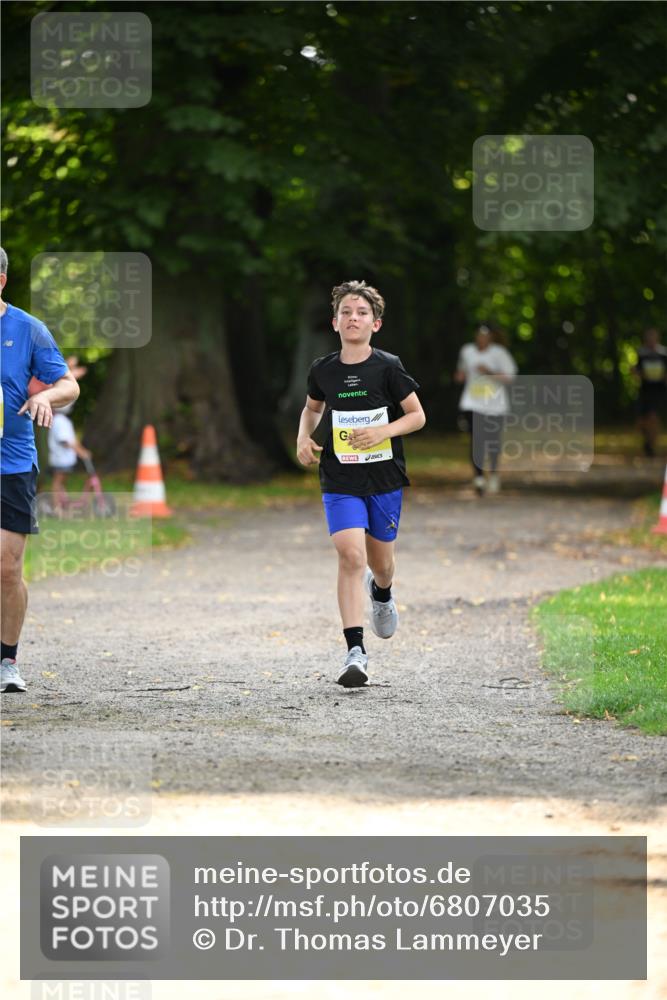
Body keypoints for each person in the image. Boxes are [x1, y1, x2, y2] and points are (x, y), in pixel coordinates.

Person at [296, 280, 425, 688]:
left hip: (383, 478)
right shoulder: (324, 370)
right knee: (350, 556)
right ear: (335, 322)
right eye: (346, 312)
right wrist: (303, 437)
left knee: (380, 563)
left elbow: (417, 416)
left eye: (362, 313)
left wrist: (384, 431)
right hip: (339, 477)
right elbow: (311, 409)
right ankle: (355, 652)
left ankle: (382, 593)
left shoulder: (388, 366)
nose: (354, 318)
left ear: (376, 323)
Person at [0, 246, 79, 694]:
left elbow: (68, 383)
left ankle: (7, 660)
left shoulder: (28, 330)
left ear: (2, 280)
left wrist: (44, 397)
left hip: (11, 464)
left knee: (7, 569)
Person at [454, 323, 517, 495]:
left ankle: (494, 474)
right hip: (473, 403)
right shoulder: (467, 351)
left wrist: (489, 372)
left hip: (495, 405)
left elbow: (510, 378)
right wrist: (460, 376)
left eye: (485, 336)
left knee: (493, 440)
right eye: (479, 336)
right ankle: (479, 477)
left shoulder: (500, 353)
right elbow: (461, 371)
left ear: (490, 338)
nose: (481, 339)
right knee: (477, 440)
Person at [48, 357, 91, 510]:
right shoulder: (59, 421)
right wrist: (81, 452)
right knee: (58, 481)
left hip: (64, 458)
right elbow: (67, 441)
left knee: (61, 482)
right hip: (60, 458)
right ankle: (56, 506)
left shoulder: (63, 421)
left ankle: (61, 503)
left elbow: (71, 439)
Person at [634, 327, 666, 458]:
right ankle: (647, 442)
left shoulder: (663, 353)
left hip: (658, 390)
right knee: (642, 420)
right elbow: (637, 370)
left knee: (653, 418)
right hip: (645, 390)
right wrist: (639, 373)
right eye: (649, 337)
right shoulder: (642, 353)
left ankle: (651, 446)